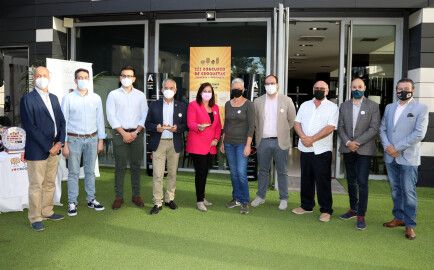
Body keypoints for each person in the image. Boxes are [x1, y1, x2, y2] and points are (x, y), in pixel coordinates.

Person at [380, 78, 428, 240]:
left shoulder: (421, 108)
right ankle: (398, 218)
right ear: (396, 90)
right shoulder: (389, 107)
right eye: (399, 89)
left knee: (408, 192)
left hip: (408, 157)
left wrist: (396, 148)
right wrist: (388, 147)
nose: (402, 91)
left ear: (412, 90)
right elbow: (383, 128)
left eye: (406, 88)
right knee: (395, 190)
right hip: (390, 156)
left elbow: (419, 134)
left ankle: (410, 225)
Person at [20, 66, 66, 231]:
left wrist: (60, 142)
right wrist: (49, 147)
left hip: (55, 147)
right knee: (36, 185)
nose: (41, 78)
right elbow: (30, 127)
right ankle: (35, 217)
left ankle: (47, 211)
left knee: (49, 183)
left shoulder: (54, 98)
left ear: (49, 77)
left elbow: (61, 121)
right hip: (38, 149)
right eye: (38, 75)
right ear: (34, 78)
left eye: (44, 75)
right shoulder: (28, 99)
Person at [61, 68, 107, 217]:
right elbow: (64, 122)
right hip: (74, 139)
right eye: (80, 77)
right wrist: (65, 144)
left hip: (92, 139)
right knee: (73, 172)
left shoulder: (96, 98)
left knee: (90, 171)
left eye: (85, 77)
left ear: (89, 79)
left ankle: (91, 199)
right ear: (75, 81)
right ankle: (72, 202)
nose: (82, 80)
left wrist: (101, 140)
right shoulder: (68, 98)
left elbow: (100, 120)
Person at [291, 80, 338, 222]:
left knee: (322, 180)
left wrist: (312, 139)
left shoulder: (332, 107)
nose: (319, 90)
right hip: (305, 148)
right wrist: (303, 137)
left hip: (322, 150)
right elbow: (296, 123)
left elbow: (330, 127)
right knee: (306, 178)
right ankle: (306, 206)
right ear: (313, 89)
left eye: (322, 88)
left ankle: (326, 210)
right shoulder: (305, 105)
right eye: (316, 88)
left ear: (327, 91)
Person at [337, 78, 380, 230]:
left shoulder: (373, 106)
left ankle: (361, 214)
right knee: (351, 180)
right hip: (348, 148)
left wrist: (357, 142)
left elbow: (374, 129)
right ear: (350, 88)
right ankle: (353, 209)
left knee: (362, 181)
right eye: (354, 87)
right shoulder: (344, 106)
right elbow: (340, 127)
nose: (357, 89)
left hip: (364, 149)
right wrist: (348, 143)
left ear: (364, 88)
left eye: (359, 87)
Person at [250, 74, 296, 210]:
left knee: (282, 171)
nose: (270, 85)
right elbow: (255, 122)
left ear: (277, 85)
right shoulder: (257, 101)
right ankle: (260, 196)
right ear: (264, 86)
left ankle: (283, 198)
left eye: (272, 83)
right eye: (267, 83)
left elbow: (292, 120)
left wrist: (282, 131)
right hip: (263, 141)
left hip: (280, 142)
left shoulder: (286, 100)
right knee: (263, 170)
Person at [106, 66, 148, 210]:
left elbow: (144, 115)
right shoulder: (113, 95)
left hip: (137, 134)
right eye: (123, 75)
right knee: (120, 167)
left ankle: (136, 195)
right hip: (119, 135)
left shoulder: (141, 95)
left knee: (136, 166)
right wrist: (123, 133)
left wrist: (136, 132)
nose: (126, 78)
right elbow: (111, 116)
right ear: (120, 77)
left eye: (129, 76)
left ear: (134, 79)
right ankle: (119, 197)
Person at [145, 78, 187, 215]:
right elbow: (147, 124)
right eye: (166, 88)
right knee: (157, 174)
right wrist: (156, 128)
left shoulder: (181, 106)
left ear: (175, 90)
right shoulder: (154, 105)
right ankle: (157, 202)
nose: (168, 90)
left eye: (171, 88)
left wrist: (177, 128)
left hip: (174, 143)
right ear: (162, 90)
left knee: (172, 174)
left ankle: (169, 199)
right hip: (159, 143)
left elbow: (185, 125)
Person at [220, 78, 255, 214]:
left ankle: (245, 201)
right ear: (231, 88)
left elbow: (251, 126)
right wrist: (223, 142)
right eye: (234, 87)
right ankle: (236, 198)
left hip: (242, 144)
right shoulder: (228, 104)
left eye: (239, 87)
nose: (236, 89)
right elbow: (226, 125)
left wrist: (248, 145)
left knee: (241, 173)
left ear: (243, 89)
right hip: (229, 143)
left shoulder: (249, 105)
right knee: (234, 173)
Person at [186, 82, 222, 212]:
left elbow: (218, 126)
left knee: (205, 173)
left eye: (209, 91)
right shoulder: (193, 105)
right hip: (197, 145)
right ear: (200, 92)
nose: (207, 93)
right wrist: (198, 127)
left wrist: (216, 139)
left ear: (212, 94)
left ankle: (202, 196)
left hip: (211, 146)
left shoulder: (216, 108)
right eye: (205, 91)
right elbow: (190, 123)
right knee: (200, 173)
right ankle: (199, 201)